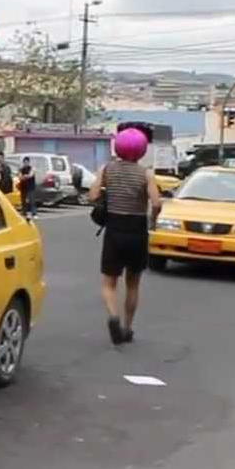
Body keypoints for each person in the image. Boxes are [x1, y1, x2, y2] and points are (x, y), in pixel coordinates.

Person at [88, 127, 162, 345]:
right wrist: (153, 221)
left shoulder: (107, 169)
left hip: (114, 228)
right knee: (133, 283)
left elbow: (92, 195)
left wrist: (105, 193)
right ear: (142, 149)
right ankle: (127, 328)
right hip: (137, 229)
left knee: (109, 282)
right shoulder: (146, 174)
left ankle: (113, 316)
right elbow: (157, 203)